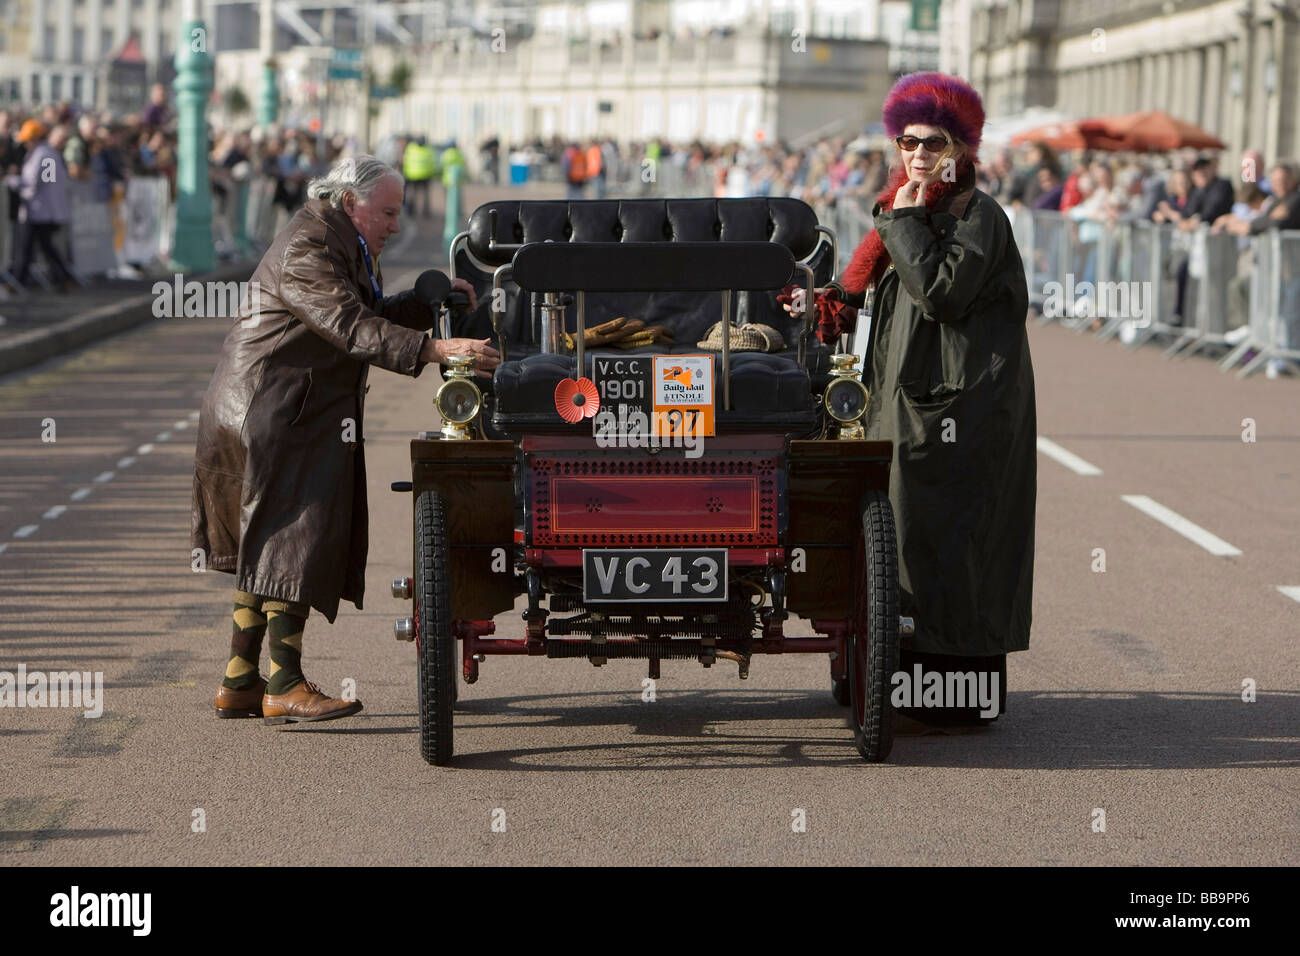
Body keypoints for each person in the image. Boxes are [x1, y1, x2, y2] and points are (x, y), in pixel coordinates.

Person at [193, 156, 499, 724]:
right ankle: (283, 683)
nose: (396, 225)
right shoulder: (308, 246)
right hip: (275, 412)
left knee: (268, 541)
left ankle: (239, 681)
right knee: (292, 540)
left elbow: (365, 313)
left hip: (277, 407)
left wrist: (423, 300)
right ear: (350, 201)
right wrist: (436, 349)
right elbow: (345, 324)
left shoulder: (335, 239)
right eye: (387, 212)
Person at [787, 72, 1035, 728]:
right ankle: (895, 675)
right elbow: (889, 298)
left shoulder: (977, 215)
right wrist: (828, 301)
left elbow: (943, 293)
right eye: (907, 141)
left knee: (953, 539)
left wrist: (900, 221)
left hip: (963, 407)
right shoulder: (910, 212)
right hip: (909, 398)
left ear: (962, 148)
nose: (919, 154)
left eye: (934, 142)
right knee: (905, 537)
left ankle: (956, 684)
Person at [4, 120, 75, 291]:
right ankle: (62, 278)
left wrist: (12, 181)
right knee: (45, 247)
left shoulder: (44, 155)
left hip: (39, 211)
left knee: (27, 247)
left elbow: (38, 183)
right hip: (43, 210)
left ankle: (19, 281)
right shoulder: (46, 154)